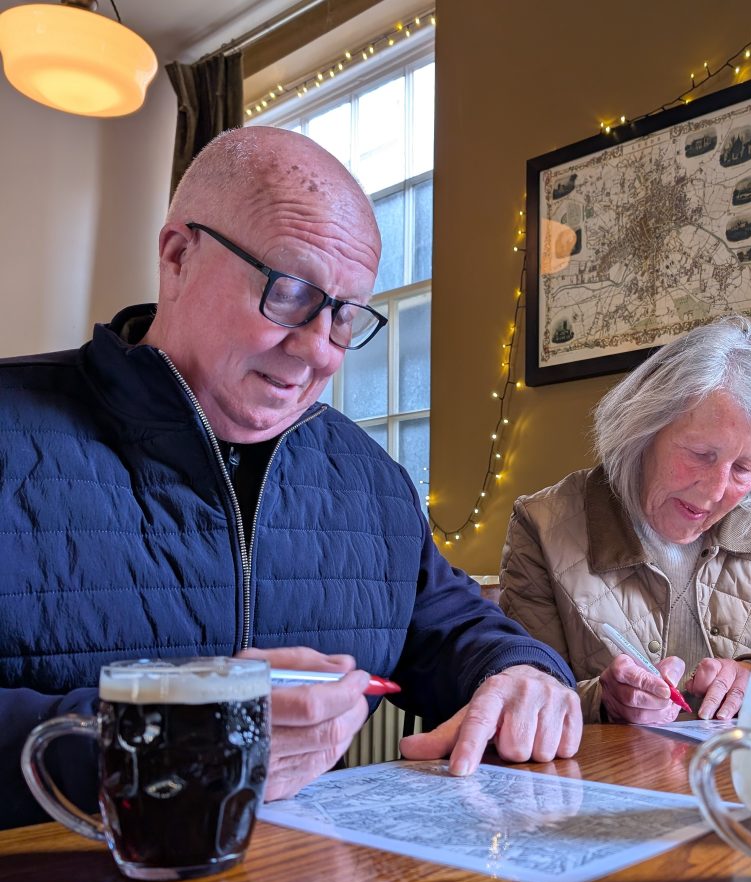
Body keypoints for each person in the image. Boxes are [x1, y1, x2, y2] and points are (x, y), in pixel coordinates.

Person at [0, 125, 581, 831]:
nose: (319, 352)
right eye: (289, 292)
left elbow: (455, 627)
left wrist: (522, 674)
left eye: (343, 316)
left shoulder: (370, 482)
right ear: (178, 256)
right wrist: (149, 747)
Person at [499, 316, 751, 726]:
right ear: (643, 430)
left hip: (745, 780)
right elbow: (519, 694)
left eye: (744, 468)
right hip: (612, 784)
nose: (714, 490)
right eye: (701, 454)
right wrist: (602, 700)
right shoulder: (544, 526)